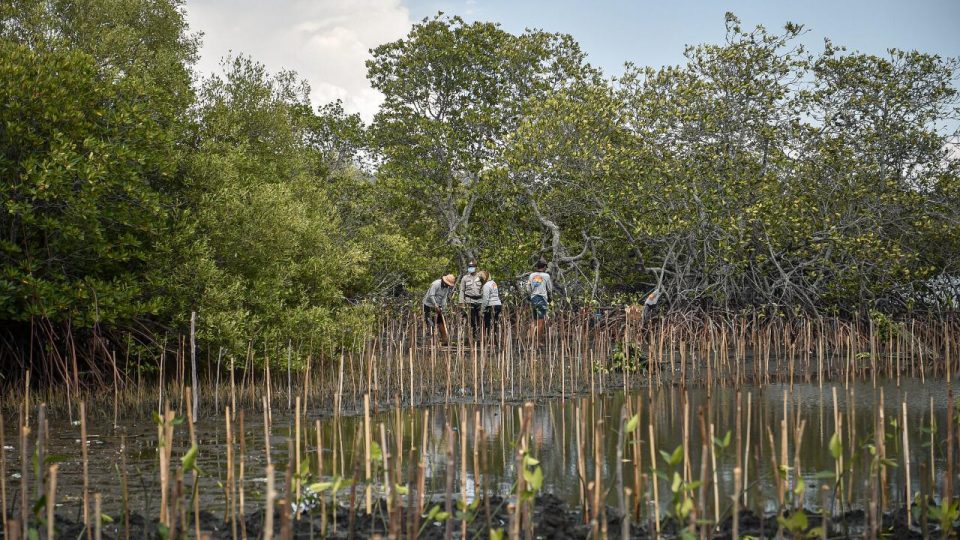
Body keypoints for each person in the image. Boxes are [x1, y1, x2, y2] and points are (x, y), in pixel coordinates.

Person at [423, 274, 456, 343]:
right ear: (444, 281)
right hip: (428, 305)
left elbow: (444, 298)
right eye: (447, 283)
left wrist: (443, 308)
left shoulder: (446, 287)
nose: (448, 285)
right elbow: (431, 295)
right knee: (430, 322)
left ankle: (444, 339)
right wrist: (436, 306)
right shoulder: (435, 284)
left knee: (440, 322)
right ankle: (433, 340)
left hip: (439, 305)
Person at [527, 259, 553, 340]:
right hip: (541, 299)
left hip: (534, 298)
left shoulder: (531, 275)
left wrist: (531, 295)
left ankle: (531, 340)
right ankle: (538, 341)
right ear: (544, 267)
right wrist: (550, 298)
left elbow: (528, 288)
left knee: (534, 320)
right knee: (541, 321)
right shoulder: (546, 276)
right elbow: (549, 289)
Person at [459, 260, 483, 339]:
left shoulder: (481, 277)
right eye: (469, 267)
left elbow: (485, 289)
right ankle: (473, 336)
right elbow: (462, 290)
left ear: (476, 268)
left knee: (480, 318)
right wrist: (461, 302)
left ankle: (481, 335)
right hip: (469, 300)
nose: (471, 268)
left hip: (480, 301)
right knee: (472, 319)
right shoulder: (465, 278)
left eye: (472, 267)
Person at [478, 270, 502, 337]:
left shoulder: (486, 285)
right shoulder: (493, 283)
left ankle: (489, 339)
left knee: (488, 324)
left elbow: (485, 299)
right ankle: (493, 339)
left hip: (491, 306)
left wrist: (482, 310)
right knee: (494, 323)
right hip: (498, 305)